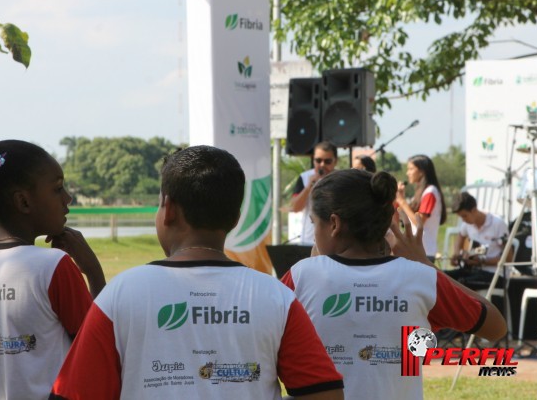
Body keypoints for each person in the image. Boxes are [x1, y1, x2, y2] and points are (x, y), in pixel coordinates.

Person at [50, 146, 344, 400]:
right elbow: (325, 393)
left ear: (169, 210)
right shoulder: (276, 296)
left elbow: (76, 392)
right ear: (235, 219)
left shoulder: (121, 293)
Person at [281, 169, 506, 400]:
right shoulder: (420, 278)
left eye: (314, 223)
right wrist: (426, 265)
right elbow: (496, 327)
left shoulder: (302, 276)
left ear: (334, 224)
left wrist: (314, 264)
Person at [0, 127, 106, 400]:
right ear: (23, 201)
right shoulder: (53, 266)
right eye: (57, 189)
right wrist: (93, 272)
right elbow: (96, 349)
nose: (67, 199)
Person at [444, 192, 512, 288]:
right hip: (473, 271)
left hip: (495, 274)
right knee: (443, 277)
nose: (463, 220)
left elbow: (508, 259)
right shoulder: (467, 224)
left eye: (464, 216)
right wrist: (457, 253)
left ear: (474, 210)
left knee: (461, 284)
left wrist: (481, 261)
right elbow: (460, 236)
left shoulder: (498, 224)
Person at [395, 154, 446, 261]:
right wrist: (401, 200)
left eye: (411, 169)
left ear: (422, 171)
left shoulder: (430, 192)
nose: (407, 173)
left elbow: (419, 223)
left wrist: (402, 202)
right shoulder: (421, 193)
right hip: (417, 250)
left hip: (425, 252)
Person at [291, 141, 338, 245]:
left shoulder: (342, 179)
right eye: (318, 160)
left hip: (334, 242)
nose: (322, 165)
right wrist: (309, 187)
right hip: (308, 241)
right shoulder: (304, 177)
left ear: (335, 161)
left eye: (327, 161)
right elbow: (294, 208)